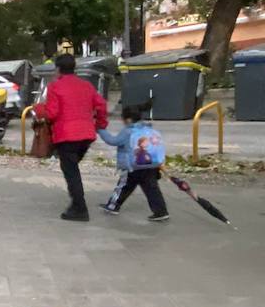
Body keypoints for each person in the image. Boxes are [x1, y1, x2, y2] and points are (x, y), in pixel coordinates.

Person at [32, 53, 108, 221]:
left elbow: (52, 113)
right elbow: (101, 105)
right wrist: (100, 124)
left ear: (58, 69)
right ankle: (76, 204)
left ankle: (80, 208)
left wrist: (38, 109)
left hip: (67, 136)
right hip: (86, 136)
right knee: (72, 168)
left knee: (71, 171)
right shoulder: (86, 85)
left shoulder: (55, 86)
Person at [98, 103, 170, 222]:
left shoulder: (128, 131)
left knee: (123, 187)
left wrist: (100, 130)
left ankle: (112, 206)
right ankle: (161, 211)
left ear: (128, 119)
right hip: (150, 165)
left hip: (133, 166)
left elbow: (113, 141)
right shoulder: (149, 129)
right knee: (152, 189)